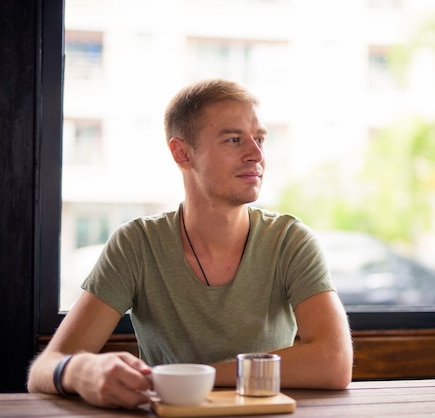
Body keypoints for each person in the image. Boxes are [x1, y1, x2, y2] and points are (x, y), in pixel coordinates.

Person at [27, 78, 354, 409]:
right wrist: (81, 369)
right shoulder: (137, 244)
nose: (256, 154)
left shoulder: (289, 241)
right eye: (234, 139)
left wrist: (192, 378)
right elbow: (42, 370)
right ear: (182, 153)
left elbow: (334, 362)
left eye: (259, 139)